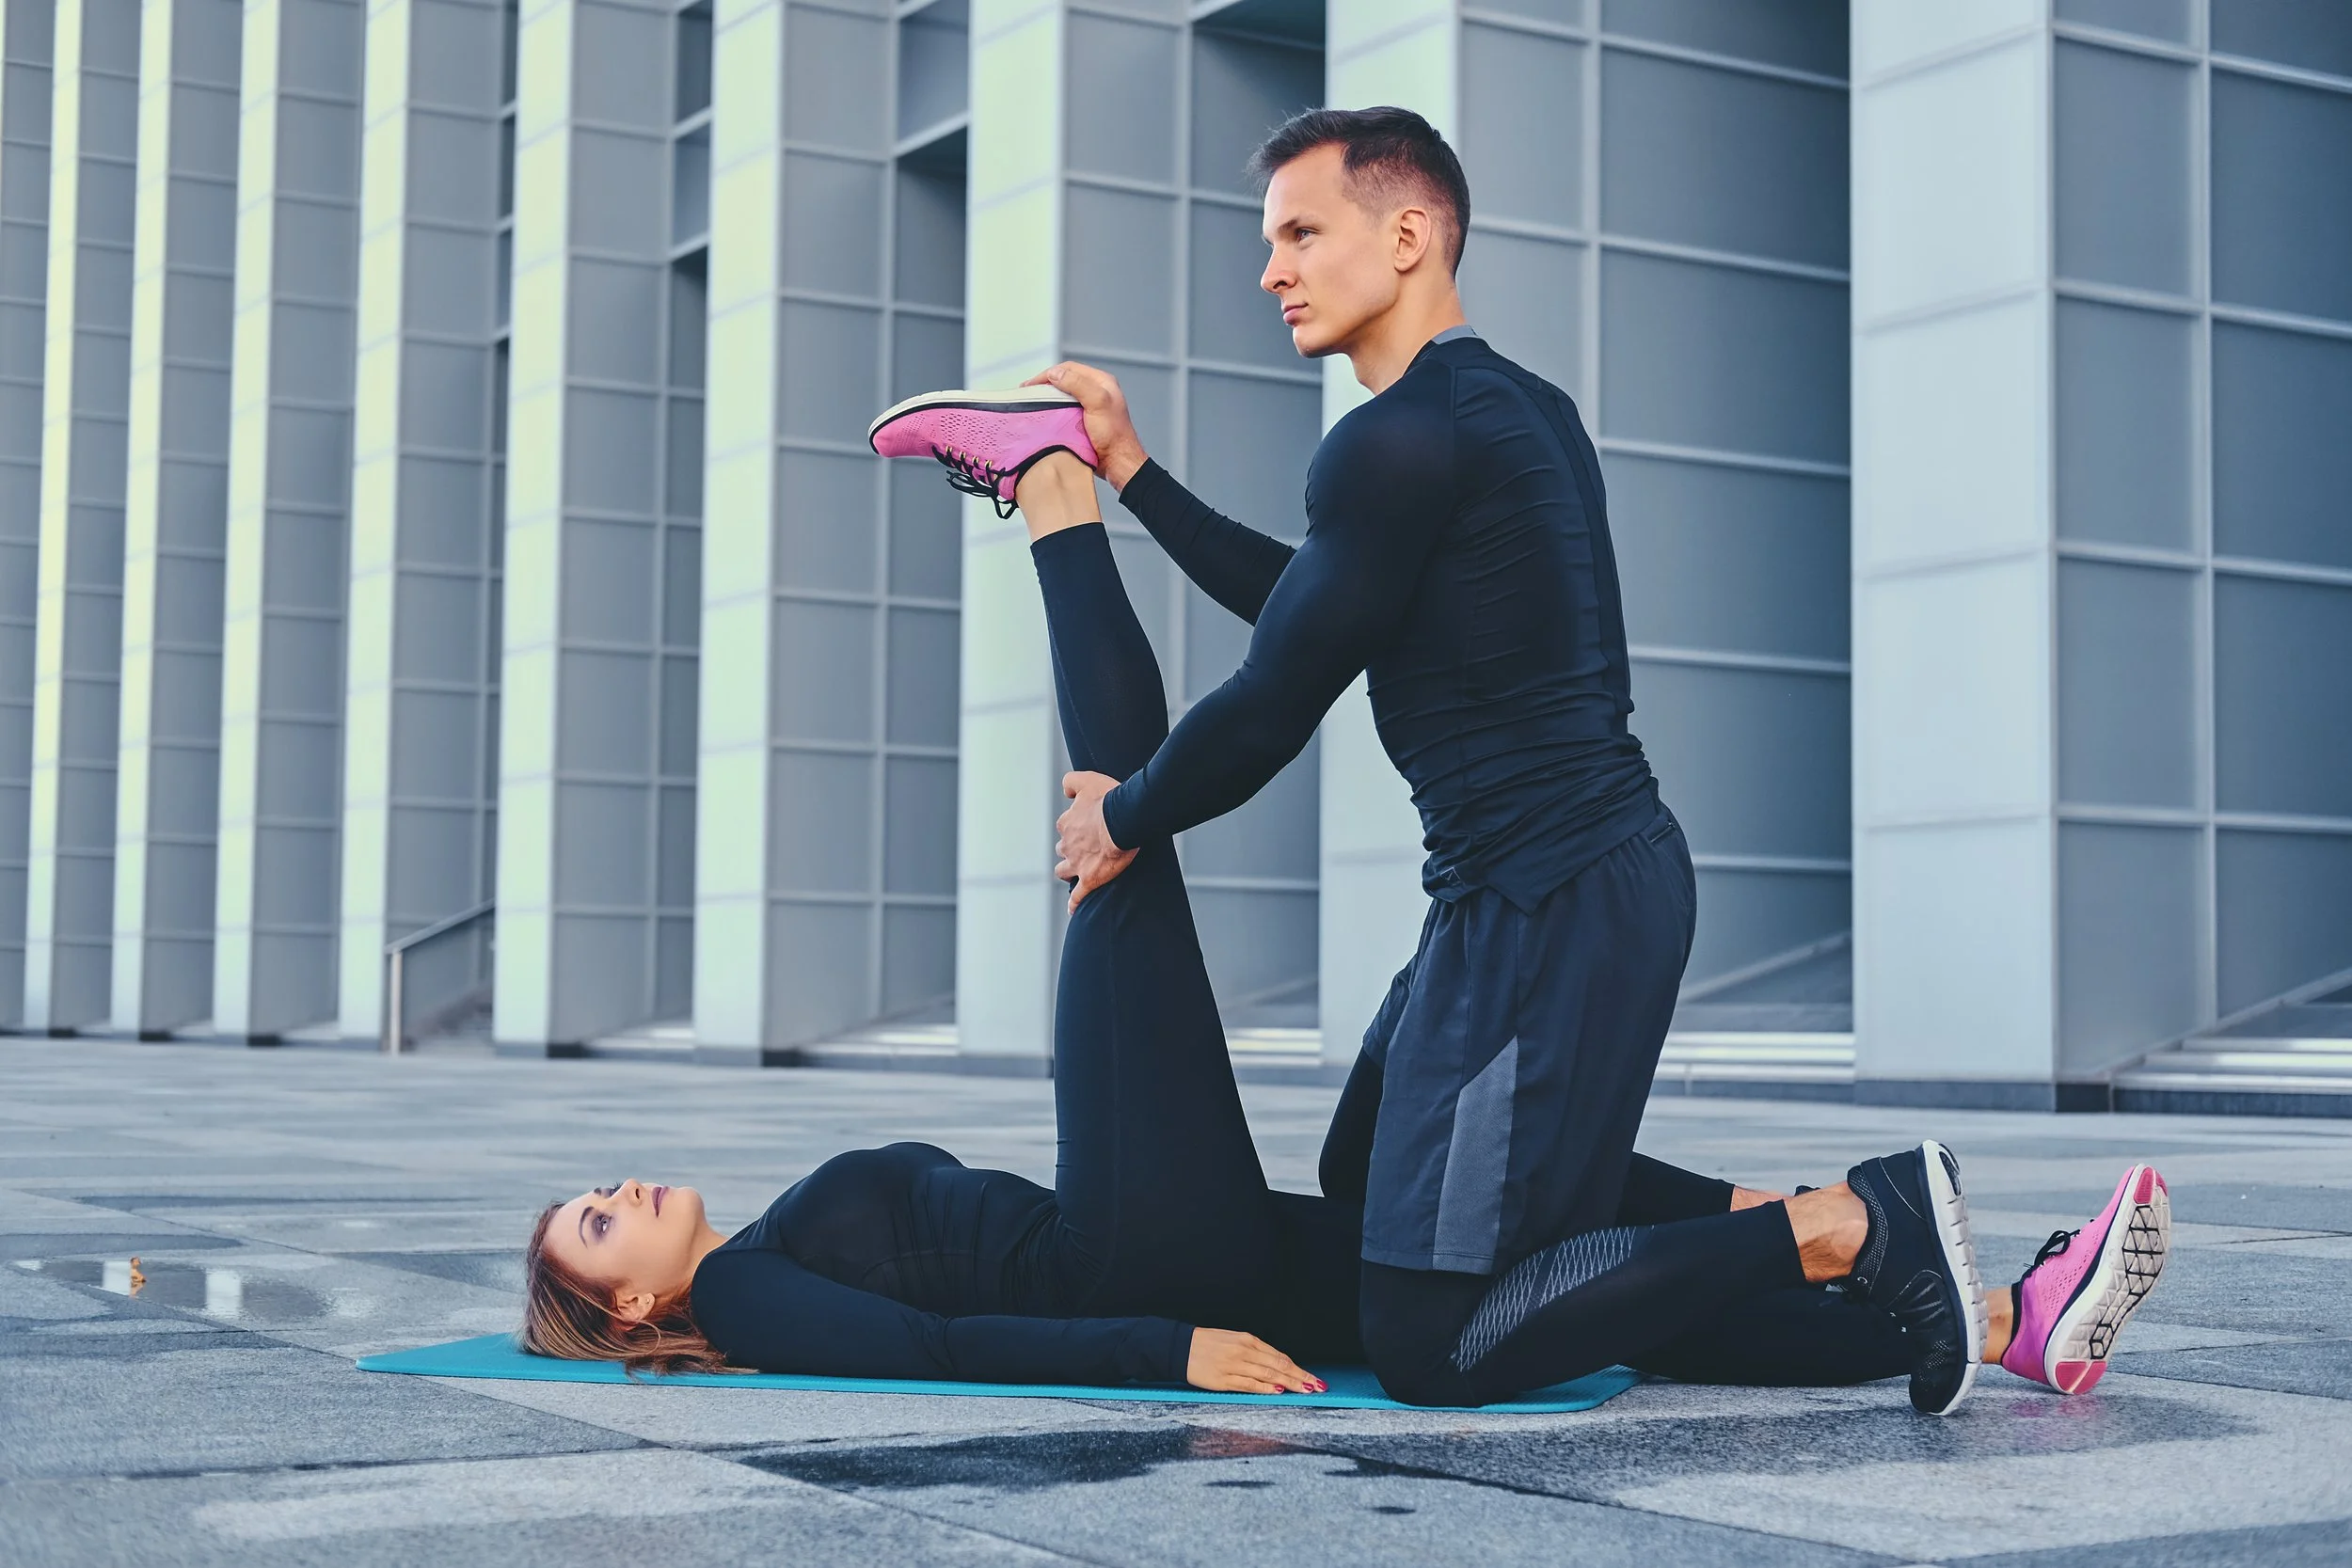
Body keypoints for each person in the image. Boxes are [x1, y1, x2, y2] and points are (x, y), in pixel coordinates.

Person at [520, 431, 2173, 1406]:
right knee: (1119, 851)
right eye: (600, 1227)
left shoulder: (744, 1251)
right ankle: (1045, 490)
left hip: (1206, 1237)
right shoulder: (745, 1297)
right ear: (638, 1313)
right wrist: (1167, 1353)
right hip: (1138, 1258)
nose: (621, 1191)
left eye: (593, 1191)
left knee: (1544, 1252)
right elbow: (944, 1346)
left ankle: (1985, 1315)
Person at [928, 105, 2146, 1416]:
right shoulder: (1507, 411)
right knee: (1374, 1166)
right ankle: (1956, 1301)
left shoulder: (1394, 441)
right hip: (1553, 886)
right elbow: (1315, 611)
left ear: (1407, 234)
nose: (1270, 269)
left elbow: (1278, 693)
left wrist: (1130, 813)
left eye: (1298, 232)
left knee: (1437, 1338)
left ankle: (1853, 1221)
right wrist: (1135, 473)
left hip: (1544, 900)